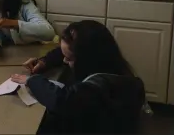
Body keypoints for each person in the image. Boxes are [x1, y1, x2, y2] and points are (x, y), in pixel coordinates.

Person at [11, 20, 146, 134]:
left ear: (87, 59)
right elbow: (63, 51)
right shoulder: (111, 64)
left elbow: (61, 101)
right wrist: (44, 61)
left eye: (69, 59)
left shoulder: (97, 89)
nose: (64, 61)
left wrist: (32, 80)